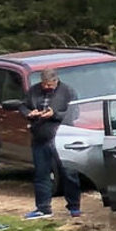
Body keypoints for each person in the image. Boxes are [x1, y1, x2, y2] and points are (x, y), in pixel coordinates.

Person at [25, 67, 81, 222]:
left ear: (56, 81)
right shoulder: (34, 90)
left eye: (49, 84)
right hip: (40, 138)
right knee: (41, 174)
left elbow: (74, 113)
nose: (46, 87)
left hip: (61, 137)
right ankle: (43, 208)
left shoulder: (68, 91)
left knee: (68, 173)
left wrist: (54, 114)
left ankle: (74, 206)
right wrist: (29, 113)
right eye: (44, 84)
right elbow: (23, 106)